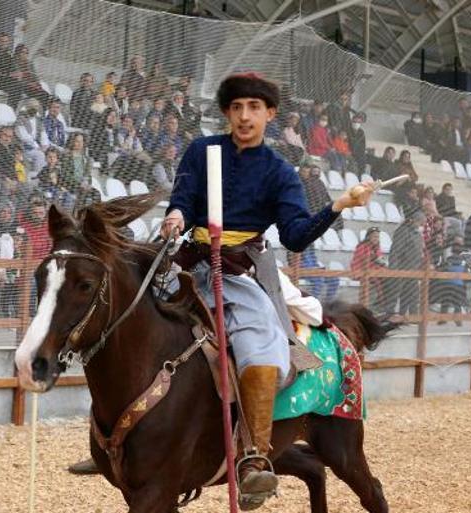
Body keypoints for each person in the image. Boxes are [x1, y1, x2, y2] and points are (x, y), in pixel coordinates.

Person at [160, 72, 374, 508]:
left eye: (254, 108)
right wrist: (177, 216)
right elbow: (182, 196)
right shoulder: (202, 151)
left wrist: (338, 206)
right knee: (123, 316)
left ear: (269, 114)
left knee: (260, 351)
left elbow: (294, 236)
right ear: (226, 112)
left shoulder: (280, 172)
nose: (244, 116)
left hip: (240, 274)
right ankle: (119, 440)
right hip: (186, 262)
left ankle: (254, 459)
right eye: (236, 108)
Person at [386, 211, 426, 315]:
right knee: (395, 291)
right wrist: (394, 269)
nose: (421, 226)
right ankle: (389, 314)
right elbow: (395, 250)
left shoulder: (417, 234)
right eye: (420, 223)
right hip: (401, 266)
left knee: (412, 293)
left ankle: (411, 315)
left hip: (413, 268)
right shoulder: (403, 231)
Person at [350, 227, 386, 312]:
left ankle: (379, 307)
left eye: (377, 237)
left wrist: (381, 263)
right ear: (368, 237)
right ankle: (369, 308)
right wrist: (375, 260)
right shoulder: (362, 246)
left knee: (386, 280)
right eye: (374, 236)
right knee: (374, 282)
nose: (376, 239)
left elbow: (380, 260)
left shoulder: (377, 247)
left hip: (374, 272)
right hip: (361, 271)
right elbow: (361, 261)